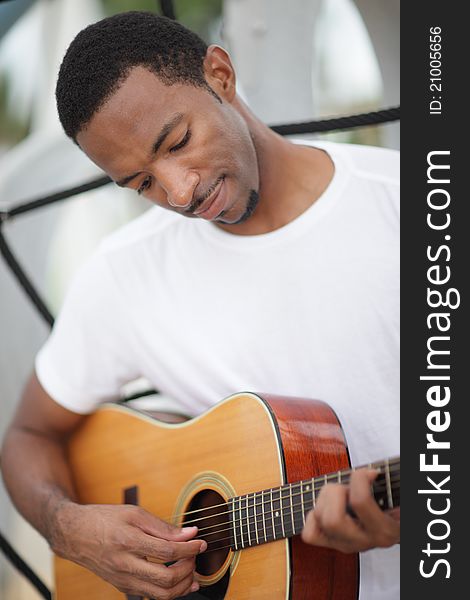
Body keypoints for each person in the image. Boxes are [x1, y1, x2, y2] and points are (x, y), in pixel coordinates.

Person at [0, 11, 399, 600]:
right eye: (141, 184)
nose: (179, 192)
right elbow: (29, 434)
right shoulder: (125, 276)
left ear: (221, 75)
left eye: (179, 141)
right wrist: (68, 529)